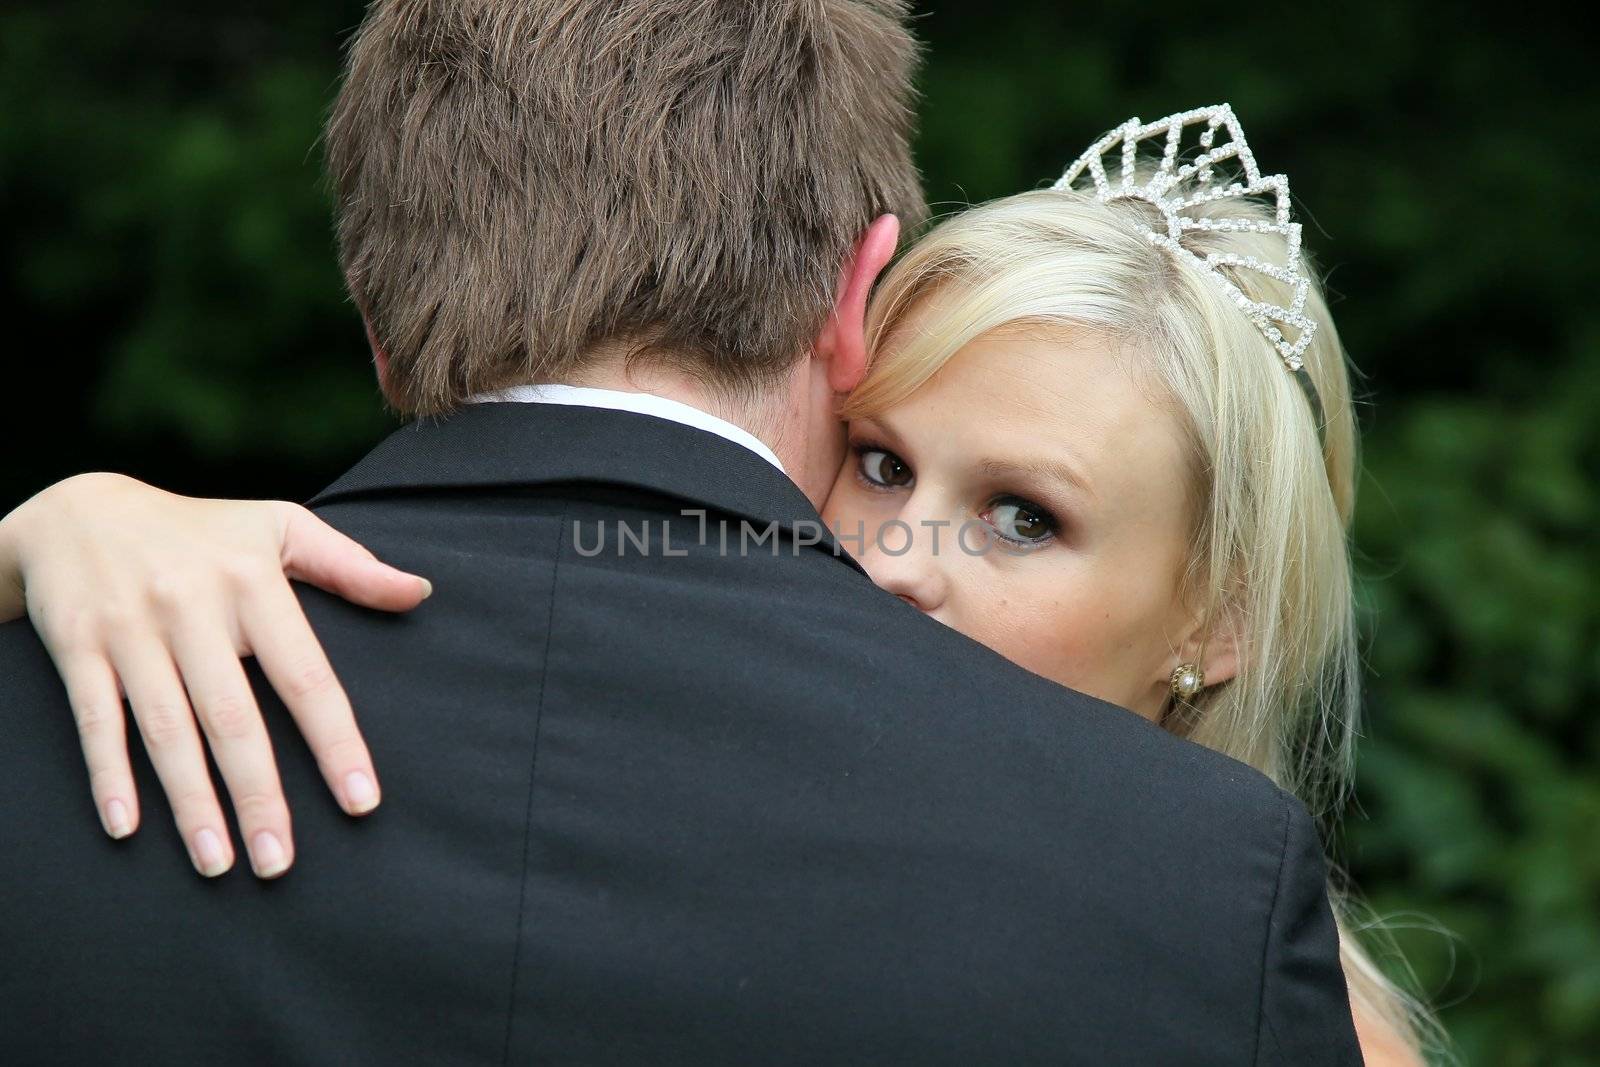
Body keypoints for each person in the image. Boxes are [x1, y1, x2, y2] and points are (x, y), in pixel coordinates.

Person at [0, 3, 1367, 1064]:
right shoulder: (1206, 915)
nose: (901, 560)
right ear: (854, 311)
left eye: (1025, 515)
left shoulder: (52, 726)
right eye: (881, 465)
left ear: (374, 313)